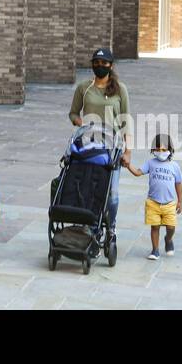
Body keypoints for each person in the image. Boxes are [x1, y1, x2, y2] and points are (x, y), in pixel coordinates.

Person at [68, 47, 132, 235]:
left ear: (111, 65)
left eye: (104, 63)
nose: (100, 66)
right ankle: (90, 225)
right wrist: (82, 123)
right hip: (88, 144)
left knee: (111, 194)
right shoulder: (84, 87)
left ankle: (110, 227)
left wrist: (128, 151)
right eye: (96, 62)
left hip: (112, 148)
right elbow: (73, 113)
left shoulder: (120, 89)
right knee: (89, 187)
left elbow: (126, 119)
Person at [126, 134, 182, 261]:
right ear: (153, 150)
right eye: (157, 149)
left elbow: (178, 183)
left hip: (169, 203)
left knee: (171, 227)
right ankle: (155, 249)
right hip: (153, 202)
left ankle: (168, 239)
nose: (161, 152)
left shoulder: (174, 166)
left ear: (170, 150)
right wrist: (128, 165)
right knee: (155, 227)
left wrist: (180, 201)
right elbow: (138, 172)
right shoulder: (150, 163)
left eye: (164, 150)